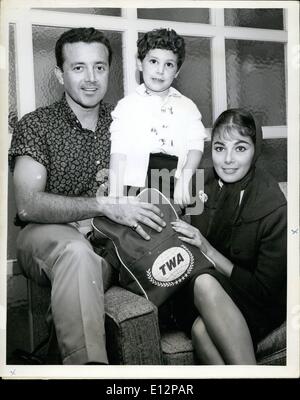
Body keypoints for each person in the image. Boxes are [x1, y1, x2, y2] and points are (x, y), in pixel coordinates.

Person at [8, 27, 166, 365]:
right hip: (43, 237)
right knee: (76, 253)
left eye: (99, 67)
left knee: (86, 268)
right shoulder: (36, 125)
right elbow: (28, 203)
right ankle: (90, 370)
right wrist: (100, 205)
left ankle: (56, 360)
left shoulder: (127, 122)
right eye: (78, 67)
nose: (91, 78)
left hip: (108, 244)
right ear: (60, 74)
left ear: (109, 70)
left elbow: (154, 185)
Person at [171, 109, 287, 364]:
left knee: (204, 284)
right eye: (220, 148)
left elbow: (264, 291)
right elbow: (167, 209)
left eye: (241, 148)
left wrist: (207, 249)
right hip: (212, 294)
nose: (228, 160)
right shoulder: (203, 182)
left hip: (259, 302)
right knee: (200, 330)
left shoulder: (273, 204)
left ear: (255, 150)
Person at [108, 28, 207, 206]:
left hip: (174, 184)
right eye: (153, 61)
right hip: (135, 186)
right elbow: (118, 154)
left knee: (174, 228)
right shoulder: (126, 106)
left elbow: (196, 145)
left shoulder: (188, 107)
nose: (160, 70)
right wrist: (115, 199)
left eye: (169, 64)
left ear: (177, 71)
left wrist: (184, 180)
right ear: (140, 63)